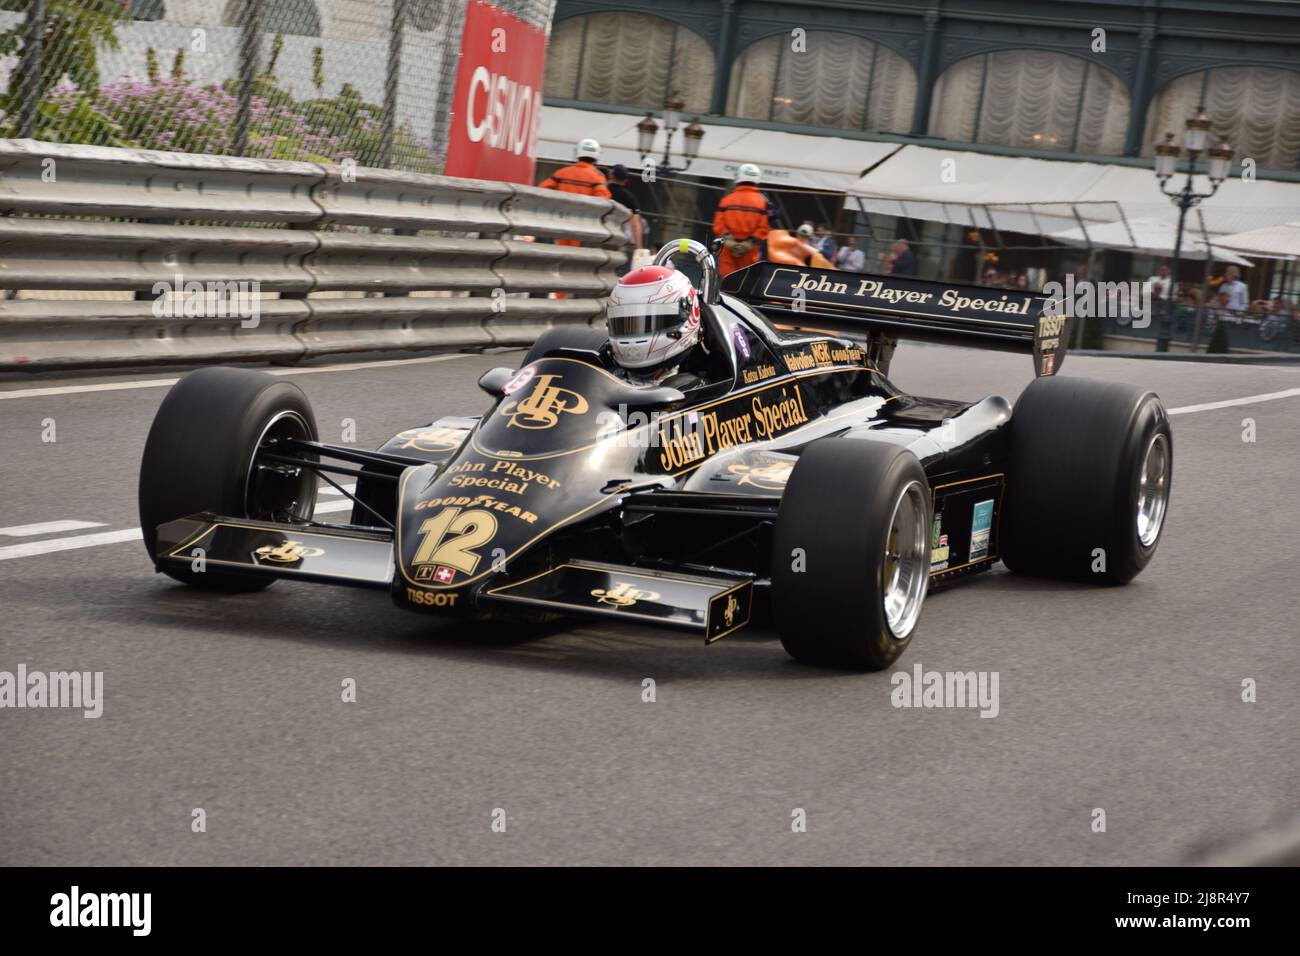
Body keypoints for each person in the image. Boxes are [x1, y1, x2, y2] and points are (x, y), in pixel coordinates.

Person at [604, 264, 712, 388]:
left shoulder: (708, 372)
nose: (636, 332)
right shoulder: (603, 378)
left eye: (651, 322)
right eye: (625, 323)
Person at [712, 163, 770, 278]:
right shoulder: (763, 202)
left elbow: (718, 225)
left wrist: (730, 241)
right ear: (757, 179)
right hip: (750, 250)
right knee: (744, 283)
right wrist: (748, 243)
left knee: (727, 281)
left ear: (737, 178)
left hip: (727, 248)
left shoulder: (726, 200)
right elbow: (763, 228)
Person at [606, 164, 645, 251]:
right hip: (616, 235)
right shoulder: (629, 197)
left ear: (610, 175)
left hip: (597, 233)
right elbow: (635, 224)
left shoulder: (602, 190)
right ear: (626, 180)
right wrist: (639, 248)